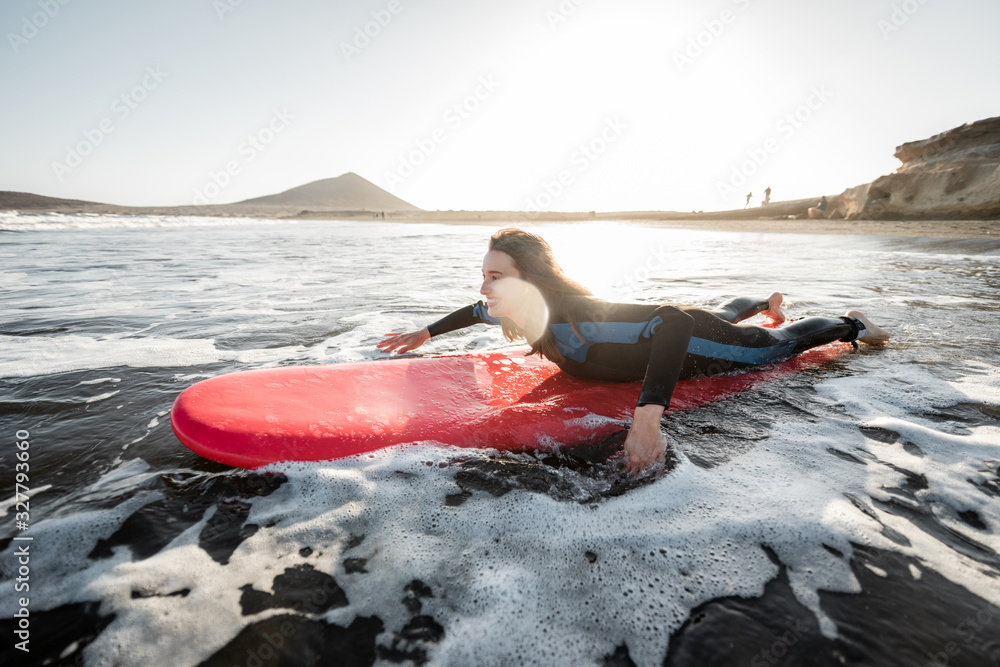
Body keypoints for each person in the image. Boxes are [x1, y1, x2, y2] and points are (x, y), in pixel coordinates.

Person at [377, 228, 889, 475]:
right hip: (677, 330)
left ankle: (853, 322)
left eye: (495, 276)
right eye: (483, 274)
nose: (485, 287)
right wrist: (425, 334)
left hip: (697, 348)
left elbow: (672, 323)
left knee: (777, 345)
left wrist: (647, 420)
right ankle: (761, 300)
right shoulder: (518, 308)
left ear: (529, 278)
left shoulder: (578, 315)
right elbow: (474, 311)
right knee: (718, 311)